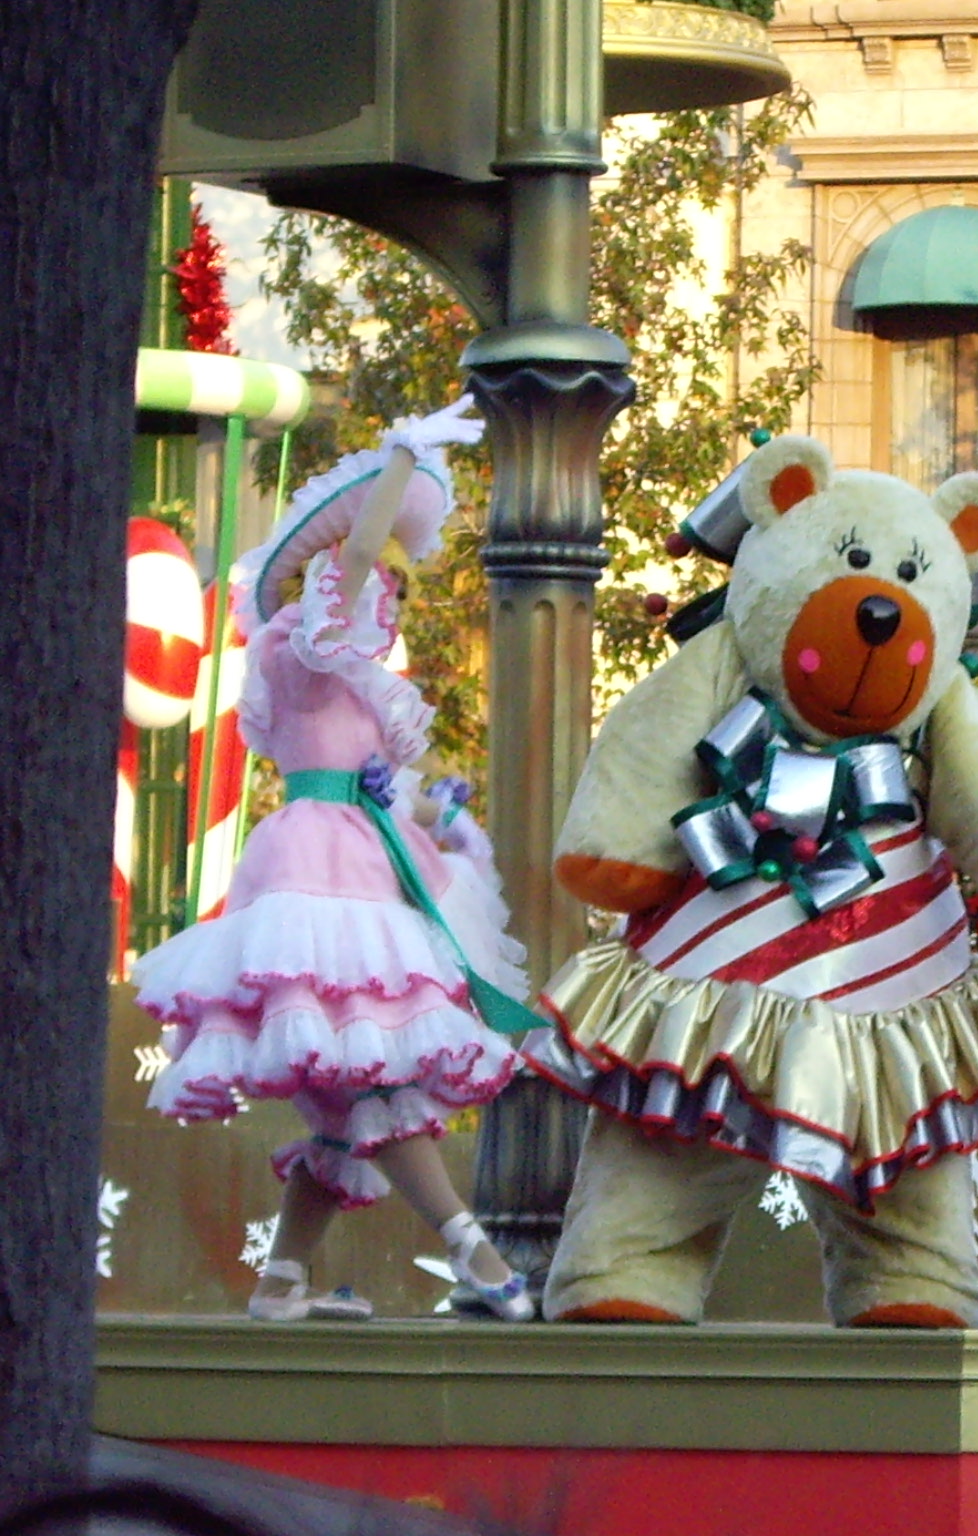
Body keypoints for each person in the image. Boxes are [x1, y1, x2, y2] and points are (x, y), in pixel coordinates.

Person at [130, 398, 536, 1323]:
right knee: (375, 1081)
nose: (382, 592)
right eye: (374, 578)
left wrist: (441, 814)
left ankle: (281, 1281)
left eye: (389, 583)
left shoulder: (345, 675)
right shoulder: (299, 652)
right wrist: (399, 462)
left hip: (365, 859)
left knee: (348, 1102)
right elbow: (350, 564)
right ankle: (474, 1252)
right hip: (317, 870)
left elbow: (382, 783)